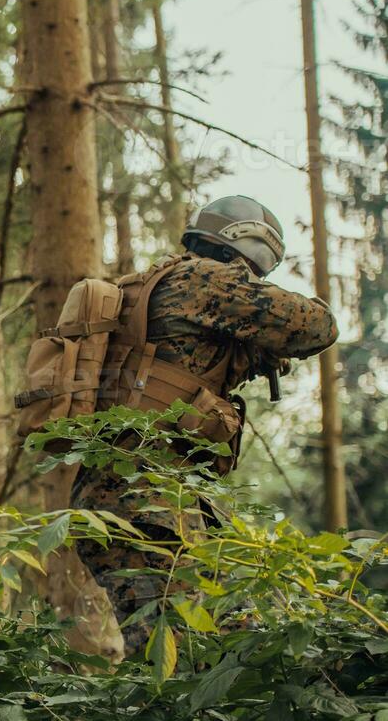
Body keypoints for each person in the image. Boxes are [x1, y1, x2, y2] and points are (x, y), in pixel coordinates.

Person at [71, 195, 338, 656]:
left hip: (120, 498)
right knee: (186, 660)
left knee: (192, 644)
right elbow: (315, 326)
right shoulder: (205, 279)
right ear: (249, 246)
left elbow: (173, 364)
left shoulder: (147, 288)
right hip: (153, 505)